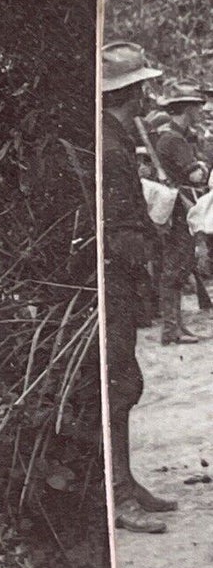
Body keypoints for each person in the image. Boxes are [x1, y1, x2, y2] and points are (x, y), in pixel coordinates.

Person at [101, 41, 177, 532]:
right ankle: (116, 494)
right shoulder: (109, 146)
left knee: (124, 382)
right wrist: (151, 240)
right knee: (118, 384)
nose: (150, 95)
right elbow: (114, 223)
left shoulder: (117, 136)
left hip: (120, 274)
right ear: (133, 90)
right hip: (113, 276)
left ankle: (125, 482)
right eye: (145, 86)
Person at [151, 84, 209, 346]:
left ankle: (176, 328)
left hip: (177, 209)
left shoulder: (172, 138)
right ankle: (171, 329)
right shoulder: (175, 140)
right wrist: (203, 167)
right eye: (197, 106)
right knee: (176, 267)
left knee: (177, 266)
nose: (201, 110)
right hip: (179, 211)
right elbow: (196, 175)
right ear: (187, 108)